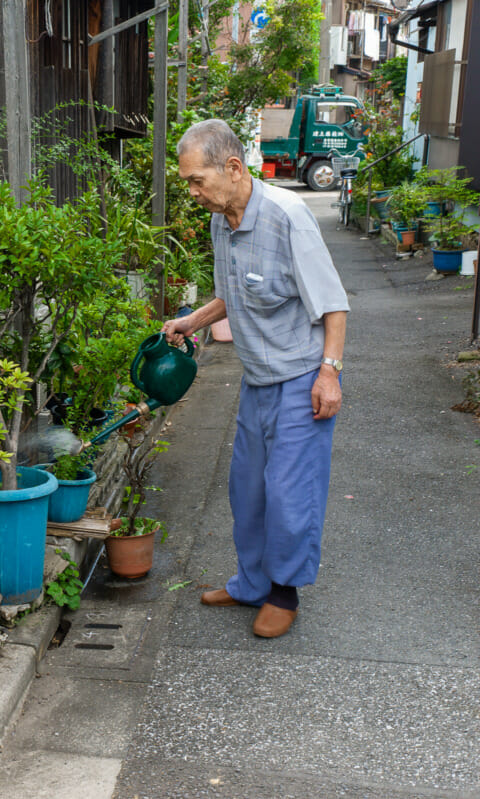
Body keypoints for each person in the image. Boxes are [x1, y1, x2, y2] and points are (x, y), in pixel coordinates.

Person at [161, 119, 349, 639]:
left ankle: (284, 592)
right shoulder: (224, 218)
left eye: (197, 180)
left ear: (234, 168)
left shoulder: (289, 217)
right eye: (189, 183)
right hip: (257, 380)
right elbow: (233, 293)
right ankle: (251, 582)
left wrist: (329, 375)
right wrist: (189, 322)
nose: (193, 192)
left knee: (290, 493)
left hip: (301, 380)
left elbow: (333, 306)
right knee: (247, 490)